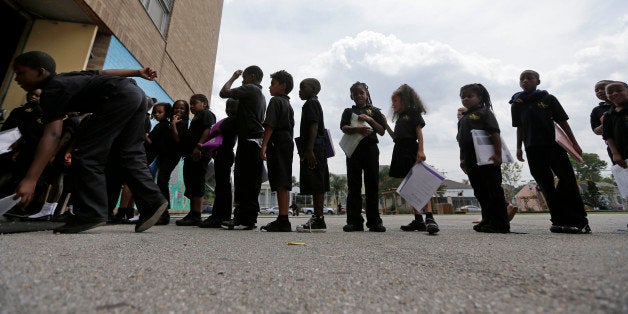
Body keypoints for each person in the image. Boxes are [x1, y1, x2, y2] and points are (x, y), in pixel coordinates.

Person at [12, 50, 167, 233]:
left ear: (40, 72)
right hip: (136, 95)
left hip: (118, 97)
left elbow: (52, 135)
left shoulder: (51, 91)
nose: (16, 79)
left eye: (21, 73)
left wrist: (30, 180)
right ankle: (152, 201)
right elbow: (104, 73)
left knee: (86, 154)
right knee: (130, 152)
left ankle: (91, 213)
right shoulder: (69, 77)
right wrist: (137, 73)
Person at [510, 70, 589, 234]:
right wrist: (519, 147)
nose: (525, 81)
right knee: (545, 185)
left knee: (567, 180)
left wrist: (574, 143)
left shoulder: (548, 98)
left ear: (538, 81)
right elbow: (520, 127)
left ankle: (579, 221)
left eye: (529, 78)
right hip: (532, 148)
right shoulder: (517, 103)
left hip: (554, 146)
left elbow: (562, 122)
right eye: (522, 79)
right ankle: (558, 221)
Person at [382, 84, 439, 234]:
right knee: (409, 186)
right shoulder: (400, 118)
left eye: (395, 101)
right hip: (399, 150)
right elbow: (395, 138)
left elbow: (419, 132)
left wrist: (421, 150)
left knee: (418, 183)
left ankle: (430, 218)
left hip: (411, 150)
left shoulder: (412, 113)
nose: (393, 104)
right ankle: (418, 219)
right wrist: (386, 125)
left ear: (404, 100)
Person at [219, 66, 266, 230]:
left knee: (243, 179)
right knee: (251, 181)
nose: (242, 80)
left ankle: (240, 217)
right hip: (255, 139)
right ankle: (249, 218)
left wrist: (233, 77)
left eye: (244, 77)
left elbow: (223, 92)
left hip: (249, 139)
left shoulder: (251, 88)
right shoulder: (259, 93)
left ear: (252, 76)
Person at [458, 83, 509, 233]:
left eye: (470, 96)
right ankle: (487, 219)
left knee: (492, 189)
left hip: (487, 158)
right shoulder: (463, 118)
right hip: (470, 158)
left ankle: (500, 223)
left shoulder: (484, 113)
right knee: (479, 191)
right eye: (463, 97)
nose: (466, 99)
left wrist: (498, 154)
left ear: (479, 98)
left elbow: (494, 133)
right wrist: (462, 159)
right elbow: (461, 141)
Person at [340, 82, 386, 232]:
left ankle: (374, 221)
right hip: (354, 150)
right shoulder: (348, 111)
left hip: (371, 150)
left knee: (372, 184)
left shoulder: (375, 111)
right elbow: (344, 128)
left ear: (366, 94)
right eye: (355, 93)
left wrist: (370, 120)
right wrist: (357, 129)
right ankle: (354, 221)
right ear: (351, 96)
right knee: (354, 185)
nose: (359, 95)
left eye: (362, 93)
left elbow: (381, 131)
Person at [259, 70, 295, 232]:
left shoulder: (275, 101)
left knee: (280, 181)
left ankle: (283, 220)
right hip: (287, 142)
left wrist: (264, 145)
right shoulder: (288, 104)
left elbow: (270, 125)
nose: (269, 87)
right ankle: (283, 217)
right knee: (284, 181)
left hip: (277, 141)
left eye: (273, 83)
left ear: (283, 86)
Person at [294, 78, 330, 232]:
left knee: (317, 184)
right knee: (316, 184)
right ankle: (318, 217)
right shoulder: (311, 103)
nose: (299, 91)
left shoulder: (311, 103)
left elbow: (314, 126)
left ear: (313, 88)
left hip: (314, 149)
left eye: (303, 87)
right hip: (315, 148)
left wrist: (309, 150)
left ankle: (319, 219)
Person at [175, 94, 215, 226]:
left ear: (204, 103)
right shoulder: (196, 117)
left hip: (199, 154)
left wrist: (199, 146)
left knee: (197, 181)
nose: (191, 106)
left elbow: (208, 130)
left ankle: (196, 214)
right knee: (191, 182)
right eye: (190, 104)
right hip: (191, 156)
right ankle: (192, 213)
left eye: (194, 103)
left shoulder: (206, 114)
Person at [199, 98, 238, 228]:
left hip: (224, 154)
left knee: (222, 187)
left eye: (232, 106)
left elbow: (217, 132)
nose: (228, 109)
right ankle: (223, 215)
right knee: (223, 186)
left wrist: (204, 141)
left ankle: (218, 216)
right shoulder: (233, 120)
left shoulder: (231, 121)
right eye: (227, 106)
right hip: (224, 154)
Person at [145, 102, 180, 225]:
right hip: (165, 157)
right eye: (155, 112)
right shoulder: (167, 125)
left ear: (167, 113)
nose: (156, 114)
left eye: (160, 112)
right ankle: (163, 213)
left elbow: (150, 141)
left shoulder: (162, 126)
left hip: (166, 157)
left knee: (161, 182)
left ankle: (164, 214)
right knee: (160, 182)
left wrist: (143, 133)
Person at [603, 81, 628, 169]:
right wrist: (615, 153)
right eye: (610, 92)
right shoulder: (608, 115)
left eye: (619, 90)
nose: (614, 93)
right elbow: (608, 136)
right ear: (607, 96)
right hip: (622, 154)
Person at [590, 80, 615, 163]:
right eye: (596, 90)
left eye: (603, 88)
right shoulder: (596, 110)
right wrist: (607, 121)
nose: (599, 91)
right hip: (614, 148)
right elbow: (596, 131)